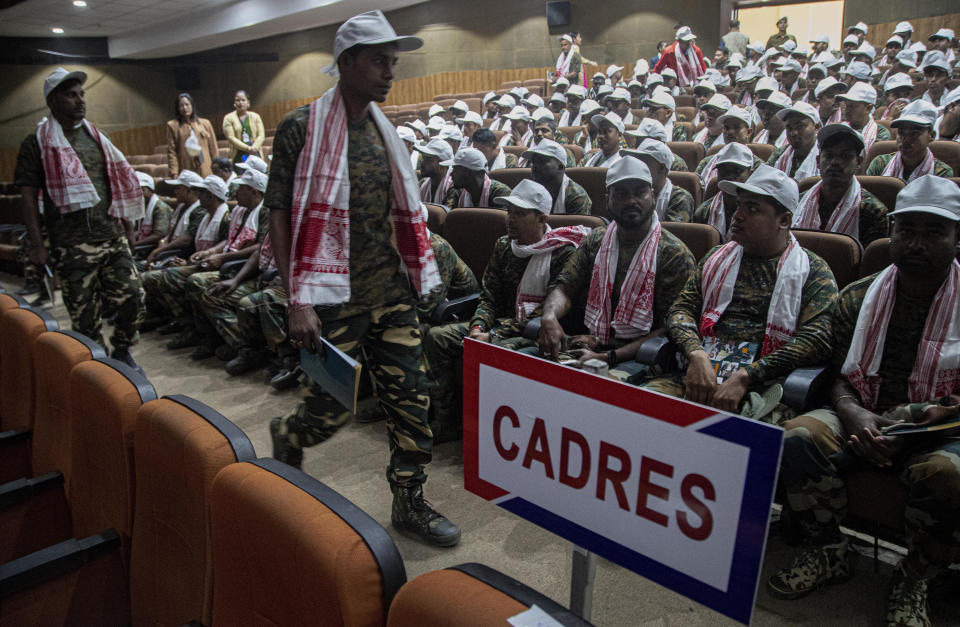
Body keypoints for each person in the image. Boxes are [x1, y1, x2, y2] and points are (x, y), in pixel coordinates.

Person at [265, 10, 459, 547]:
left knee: (414, 405)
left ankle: (410, 501)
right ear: (346, 62)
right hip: (331, 299)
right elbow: (277, 210)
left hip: (391, 295)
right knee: (329, 411)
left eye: (393, 62)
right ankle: (290, 434)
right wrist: (296, 297)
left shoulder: (385, 131)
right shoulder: (302, 127)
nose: (389, 72)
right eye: (378, 60)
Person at [769, 175, 960, 627]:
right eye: (906, 231)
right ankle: (828, 548)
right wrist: (852, 411)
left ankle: (915, 576)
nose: (916, 244)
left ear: (957, 237)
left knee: (950, 475)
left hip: (942, 426)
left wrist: (930, 420)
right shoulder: (859, 296)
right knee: (796, 436)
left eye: (934, 233)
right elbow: (835, 375)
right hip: (862, 412)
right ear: (890, 234)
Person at [644, 165, 837, 420]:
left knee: (743, 435)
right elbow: (680, 310)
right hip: (700, 373)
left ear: (784, 220)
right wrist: (696, 354)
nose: (738, 215)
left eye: (752, 209)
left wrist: (748, 375)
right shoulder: (716, 258)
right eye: (739, 206)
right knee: (638, 408)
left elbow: (816, 339)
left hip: (764, 386)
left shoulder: (813, 271)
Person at [424, 180, 582, 441]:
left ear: (542, 218)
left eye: (520, 214)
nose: (510, 220)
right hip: (497, 325)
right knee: (437, 337)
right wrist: (478, 326)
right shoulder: (503, 246)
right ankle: (447, 420)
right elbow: (488, 297)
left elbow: (545, 312)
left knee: (497, 351)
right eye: (509, 213)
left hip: (536, 331)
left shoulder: (562, 252)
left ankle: (497, 435)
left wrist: (493, 335)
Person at [15, 67, 146, 370]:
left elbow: (115, 183)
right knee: (85, 317)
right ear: (52, 101)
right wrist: (37, 244)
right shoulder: (36, 143)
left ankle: (123, 349)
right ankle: (102, 368)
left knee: (134, 297)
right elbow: (27, 196)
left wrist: (127, 225)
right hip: (71, 244)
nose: (80, 100)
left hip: (111, 235)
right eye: (70, 95)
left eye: (81, 94)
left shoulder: (97, 137)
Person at [537, 157, 695, 383]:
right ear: (607, 200)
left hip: (640, 356)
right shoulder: (596, 241)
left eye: (640, 192)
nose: (631, 200)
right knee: (525, 361)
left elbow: (668, 329)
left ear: (653, 195)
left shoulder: (673, 254)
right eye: (621, 194)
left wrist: (608, 356)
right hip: (588, 343)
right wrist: (550, 316)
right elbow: (564, 287)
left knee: (595, 384)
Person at [182, 168, 270, 359]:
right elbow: (231, 241)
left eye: (240, 189)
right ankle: (213, 339)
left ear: (253, 191)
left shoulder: (265, 211)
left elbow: (260, 248)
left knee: (199, 285)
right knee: (196, 282)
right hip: (232, 264)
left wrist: (222, 258)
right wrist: (212, 252)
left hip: (248, 269)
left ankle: (243, 346)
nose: (234, 193)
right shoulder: (240, 210)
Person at [143, 175, 231, 353]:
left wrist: (205, 256)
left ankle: (205, 333)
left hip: (220, 266)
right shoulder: (206, 216)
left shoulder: (225, 217)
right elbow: (195, 246)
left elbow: (227, 245)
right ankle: (187, 325)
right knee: (159, 276)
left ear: (212, 196)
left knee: (182, 279)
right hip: (199, 262)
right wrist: (187, 259)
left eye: (202, 193)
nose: (198, 197)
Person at [792, 124, 889, 247]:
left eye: (845, 156)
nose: (835, 162)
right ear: (817, 161)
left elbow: (870, 263)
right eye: (829, 156)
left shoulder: (872, 211)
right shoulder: (798, 202)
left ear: (858, 162)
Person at [865, 101, 955, 180]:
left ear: (931, 135)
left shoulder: (941, 172)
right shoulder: (880, 163)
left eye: (914, 134)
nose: (906, 139)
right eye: (901, 133)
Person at [692, 142, 755, 241]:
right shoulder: (704, 211)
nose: (729, 176)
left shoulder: (757, 211)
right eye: (724, 170)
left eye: (737, 171)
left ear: (750, 173)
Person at [624, 139, 695, 222]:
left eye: (644, 164)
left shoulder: (680, 198)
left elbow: (671, 233)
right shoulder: (632, 193)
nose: (638, 168)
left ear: (661, 168)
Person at [695, 106, 760, 186]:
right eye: (726, 128)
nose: (730, 132)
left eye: (736, 128)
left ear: (749, 132)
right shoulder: (707, 162)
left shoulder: (757, 165)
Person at [525, 140, 592, 215]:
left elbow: (577, 226)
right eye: (533, 162)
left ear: (560, 167)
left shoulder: (576, 196)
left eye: (542, 161)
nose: (535, 166)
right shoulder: (530, 190)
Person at [166, 92, 219, 177]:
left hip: (206, 167)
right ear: (177, 108)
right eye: (181, 105)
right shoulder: (172, 126)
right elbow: (171, 151)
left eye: (187, 104)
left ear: (192, 106)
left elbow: (213, 148)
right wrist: (174, 172)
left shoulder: (205, 123)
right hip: (186, 168)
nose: (184, 108)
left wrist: (217, 167)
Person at [767, 102, 821, 181]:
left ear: (816, 127)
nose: (793, 133)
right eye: (789, 128)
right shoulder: (780, 154)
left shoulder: (825, 155)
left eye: (800, 127)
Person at [442, 148, 512, 209]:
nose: (451, 174)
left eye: (455, 170)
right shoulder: (458, 192)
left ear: (468, 173)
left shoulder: (500, 193)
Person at [837, 83, 890, 151]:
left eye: (852, 106)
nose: (847, 110)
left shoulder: (880, 133)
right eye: (847, 105)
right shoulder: (839, 129)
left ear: (868, 108)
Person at [132, 171, 173, 255]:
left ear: (151, 190)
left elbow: (159, 235)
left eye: (143, 190)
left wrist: (135, 244)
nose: (139, 194)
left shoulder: (160, 208)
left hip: (153, 250)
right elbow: (139, 231)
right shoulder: (142, 206)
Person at [222, 90, 265, 165]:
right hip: (238, 153)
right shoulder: (228, 118)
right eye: (237, 100)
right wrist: (247, 148)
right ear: (234, 104)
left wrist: (254, 148)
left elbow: (261, 135)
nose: (240, 103)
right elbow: (230, 137)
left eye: (243, 100)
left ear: (248, 103)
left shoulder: (255, 116)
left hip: (255, 151)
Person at [416, 138, 454, 203]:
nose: (422, 163)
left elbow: (447, 212)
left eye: (428, 160)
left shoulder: (452, 186)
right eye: (423, 158)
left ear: (442, 165)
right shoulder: (423, 183)